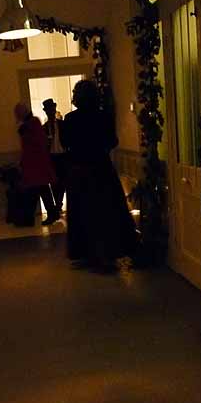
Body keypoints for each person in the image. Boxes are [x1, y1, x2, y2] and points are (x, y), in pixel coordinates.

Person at [63, 80, 138, 269]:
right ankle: (110, 251)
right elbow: (112, 141)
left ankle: (88, 253)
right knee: (107, 211)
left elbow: (66, 144)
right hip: (100, 168)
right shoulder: (103, 116)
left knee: (84, 213)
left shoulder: (70, 119)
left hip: (80, 170)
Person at [14, 103, 59, 226]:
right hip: (37, 162)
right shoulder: (34, 123)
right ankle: (49, 213)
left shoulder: (30, 124)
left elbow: (31, 144)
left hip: (34, 163)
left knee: (37, 189)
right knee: (41, 188)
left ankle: (31, 218)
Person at [42, 98, 67, 215]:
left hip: (63, 156)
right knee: (53, 182)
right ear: (46, 112)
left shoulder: (62, 124)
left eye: (51, 109)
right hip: (51, 157)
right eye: (48, 110)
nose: (50, 112)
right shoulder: (44, 127)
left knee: (62, 181)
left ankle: (59, 203)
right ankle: (57, 204)